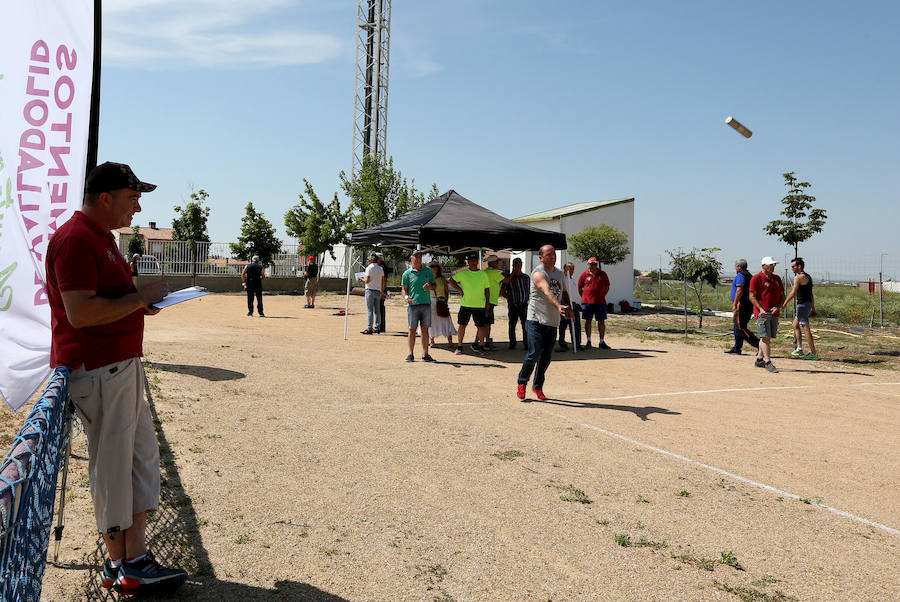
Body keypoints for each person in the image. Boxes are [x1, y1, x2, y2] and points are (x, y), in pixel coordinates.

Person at [45, 162, 187, 593]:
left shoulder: (100, 238)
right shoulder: (75, 239)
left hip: (119, 366)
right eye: (132, 197)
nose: (138, 206)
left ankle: (134, 559)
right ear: (104, 198)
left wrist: (138, 303)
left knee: (139, 458)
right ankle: (120, 564)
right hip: (100, 369)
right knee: (113, 465)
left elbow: (105, 301)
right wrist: (139, 297)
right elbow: (82, 312)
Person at [517, 245, 570, 400]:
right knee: (534, 353)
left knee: (546, 357)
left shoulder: (560, 274)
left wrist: (569, 308)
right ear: (541, 258)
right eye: (548, 254)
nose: (553, 256)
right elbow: (547, 291)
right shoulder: (538, 273)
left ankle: (537, 386)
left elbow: (564, 293)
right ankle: (522, 382)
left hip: (552, 321)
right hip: (536, 319)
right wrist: (559, 305)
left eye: (554, 254)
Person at [449, 252, 490, 356]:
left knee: (480, 327)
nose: (473, 262)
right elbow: (451, 280)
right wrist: (459, 290)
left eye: (475, 260)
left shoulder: (483, 274)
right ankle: (459, 346)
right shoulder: (463, 273)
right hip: (466, 304)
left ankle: (480, 346)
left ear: (477, 261)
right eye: (471, 260)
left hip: (480, 305)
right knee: (462, 325)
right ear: (468, 262)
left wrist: (487, 304)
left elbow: (487, 290)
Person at [749, 256, 785, 373]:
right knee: (765, 337)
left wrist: (778, 306)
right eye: (770, 265)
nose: (772, 267)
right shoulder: (756, 278)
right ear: (763, 266)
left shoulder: (777, 278)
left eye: (773, 265)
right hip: (762, 313)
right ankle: (768, 361)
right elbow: (752, 296)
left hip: (774, 312)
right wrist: (760, 309)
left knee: (768, 337)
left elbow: (782, 295)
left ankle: (759, 359)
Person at [401, 250, 436, 362]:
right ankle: (410, 354)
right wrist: (406, 298)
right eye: (416, 256)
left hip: (426, 304)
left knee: (425, 330)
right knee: (412, 330)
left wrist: (429, 286)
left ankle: (425, 354)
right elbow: (404, 289)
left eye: (420, 256)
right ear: (411, 258)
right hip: (413, 305)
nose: (418, 258)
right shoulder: (407, 273)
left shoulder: (428, 271)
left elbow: (434, 285)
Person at [782, 257, 818, 360]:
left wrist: (784, 303)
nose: (792, 268)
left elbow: (793, 292)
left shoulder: (798, 278)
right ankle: (799, 348)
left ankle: (813, 353)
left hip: (802, 305)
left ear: (799, 266)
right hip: (807, 304)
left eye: (793, 266)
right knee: (795, 324)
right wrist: (813, 307)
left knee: (805, 328)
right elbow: (811, 294)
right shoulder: (808, 277)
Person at [725, 259, 760, 355]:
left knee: (740, 328)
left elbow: (739, 290)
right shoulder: (748, 275)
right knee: (737, 327)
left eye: (735, 265)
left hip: (742, 305)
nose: (735, 267)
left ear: (739, 266)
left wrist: (735, 303)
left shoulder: (741, 275)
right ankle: (737, 348)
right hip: (747, 304)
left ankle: (759, 345)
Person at [578, 257, 611, 349]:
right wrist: (584, 297)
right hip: (587, 302)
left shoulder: (602, 274)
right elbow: (580, 288)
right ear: (588, 264)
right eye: (591, 264)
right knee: (588, 320)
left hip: (600, 302)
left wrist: (602, 295)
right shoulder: (584, 275)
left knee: (601, 321)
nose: (593, 266)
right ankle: (588, 341)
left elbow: (607, 286)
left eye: (595, 264)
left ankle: (601, 341)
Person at [501, 257, 530, 349]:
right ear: (513, 265)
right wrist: (509, 298)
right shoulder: (509, 278)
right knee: (512, 324)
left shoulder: (526, 277)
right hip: (513, 304)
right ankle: (512, 343)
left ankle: (526, 343)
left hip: (524, 304)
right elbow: (502, 291)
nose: (518, 266)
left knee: (525, 325)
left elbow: (528, 289)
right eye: (516, 265)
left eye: (519, 264)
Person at [427, 261, 457, 346]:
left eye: (436, 269)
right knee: (431, 321)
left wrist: (446, 300)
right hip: (431, 301)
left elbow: (446, 290)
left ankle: (450, 341)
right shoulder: (427, 278)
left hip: (441, 300)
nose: (434, 271)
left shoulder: (442, 278)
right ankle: (431, 340)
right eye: (432, 270)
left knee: (446, 319)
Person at [558, 262, 583, 351]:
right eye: (569, 269)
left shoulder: (572, 279)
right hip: (565, 304)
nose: (571, 271)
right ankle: (562, 344)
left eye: (572, 269)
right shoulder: (563, 279)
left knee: (576, 325)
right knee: (563, 325)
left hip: (574, 305)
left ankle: (577, 344)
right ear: (565, 269)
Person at [482, 254, 505, 350]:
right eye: (497, 261)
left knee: (483, 323)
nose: (498, 263)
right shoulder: (494, 273)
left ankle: (484, 341)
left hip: (484, 300)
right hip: (489, 301)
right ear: (492, 263)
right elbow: (506, 281)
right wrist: (513, 273)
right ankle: (484, 343)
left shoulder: (485, 272)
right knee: (487, 323)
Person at [360, 253, 384, 334]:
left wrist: (362, 279)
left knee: (370, 310)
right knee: (377, 310)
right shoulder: (380, 268)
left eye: (368, 259)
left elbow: (367, 280)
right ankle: (377, 328)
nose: (367, 261)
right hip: (378, 290)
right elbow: (383, 280)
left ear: (370, 260)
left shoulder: (369, 268)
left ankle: (369, 328)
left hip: (370, 290)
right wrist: (382, 290)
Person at [375, 253, 388, 332]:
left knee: (380, 308)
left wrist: (382, 292)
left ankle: (381, 326)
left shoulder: (382, 267)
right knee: (379, 308)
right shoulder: (380, 266)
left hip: (381, 289)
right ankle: (380, 326)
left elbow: (384, 280)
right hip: (379, 289)